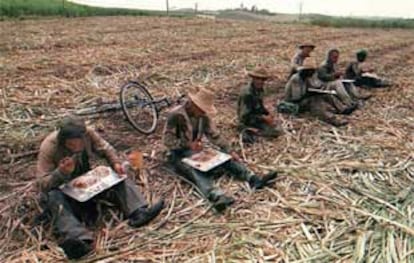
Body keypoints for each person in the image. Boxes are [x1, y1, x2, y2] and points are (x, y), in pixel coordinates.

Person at [36, 116, 164, 259]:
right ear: (63, 140)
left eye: (79, 144)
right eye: (71, 145)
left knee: (116, 175)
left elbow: (106, 148)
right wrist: (61, 173)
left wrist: (115, 163)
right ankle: (78, 239)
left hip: (87, 186)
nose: (76, 148)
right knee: (53, 197)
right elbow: (42, 183)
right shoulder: (49, 147)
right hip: (66, 192)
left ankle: (138, 211)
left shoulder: (88, 133)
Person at [163, 88, 277, 212]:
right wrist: (187, 144)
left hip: (196, 151)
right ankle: (215, 196)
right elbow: (167, 141)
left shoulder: (202, 116)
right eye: (201, 109)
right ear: (193, 104)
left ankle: (252, 178)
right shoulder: (176, 115)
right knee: (195, 168)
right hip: (179, 154)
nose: (202, 112)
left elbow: (214, 135)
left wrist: (229, 150)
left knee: (222, 157)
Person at [281, 63, 352, 126]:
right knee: (314, 101)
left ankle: (342, 109)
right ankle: (332, 119)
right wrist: (311, 94)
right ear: (306, 71)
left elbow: (315, 86)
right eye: (312, 71)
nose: (313, 74)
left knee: (326, 94)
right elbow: (296, 98)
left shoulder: (306, 77)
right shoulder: (296, 79)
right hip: (293, 104)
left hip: (301, 99)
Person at [237, 67, 283, 143]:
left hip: (256, 117)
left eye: (263, 79)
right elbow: (244, 117)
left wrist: (267, 113)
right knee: (271, 134)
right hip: (247, 122)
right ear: (253, 78)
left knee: (277, 131)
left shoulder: (259, 90)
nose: (260, 81)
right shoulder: (247, 94)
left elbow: (259, 106)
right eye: (258, 79)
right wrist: (263, 118)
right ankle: (248, 131)